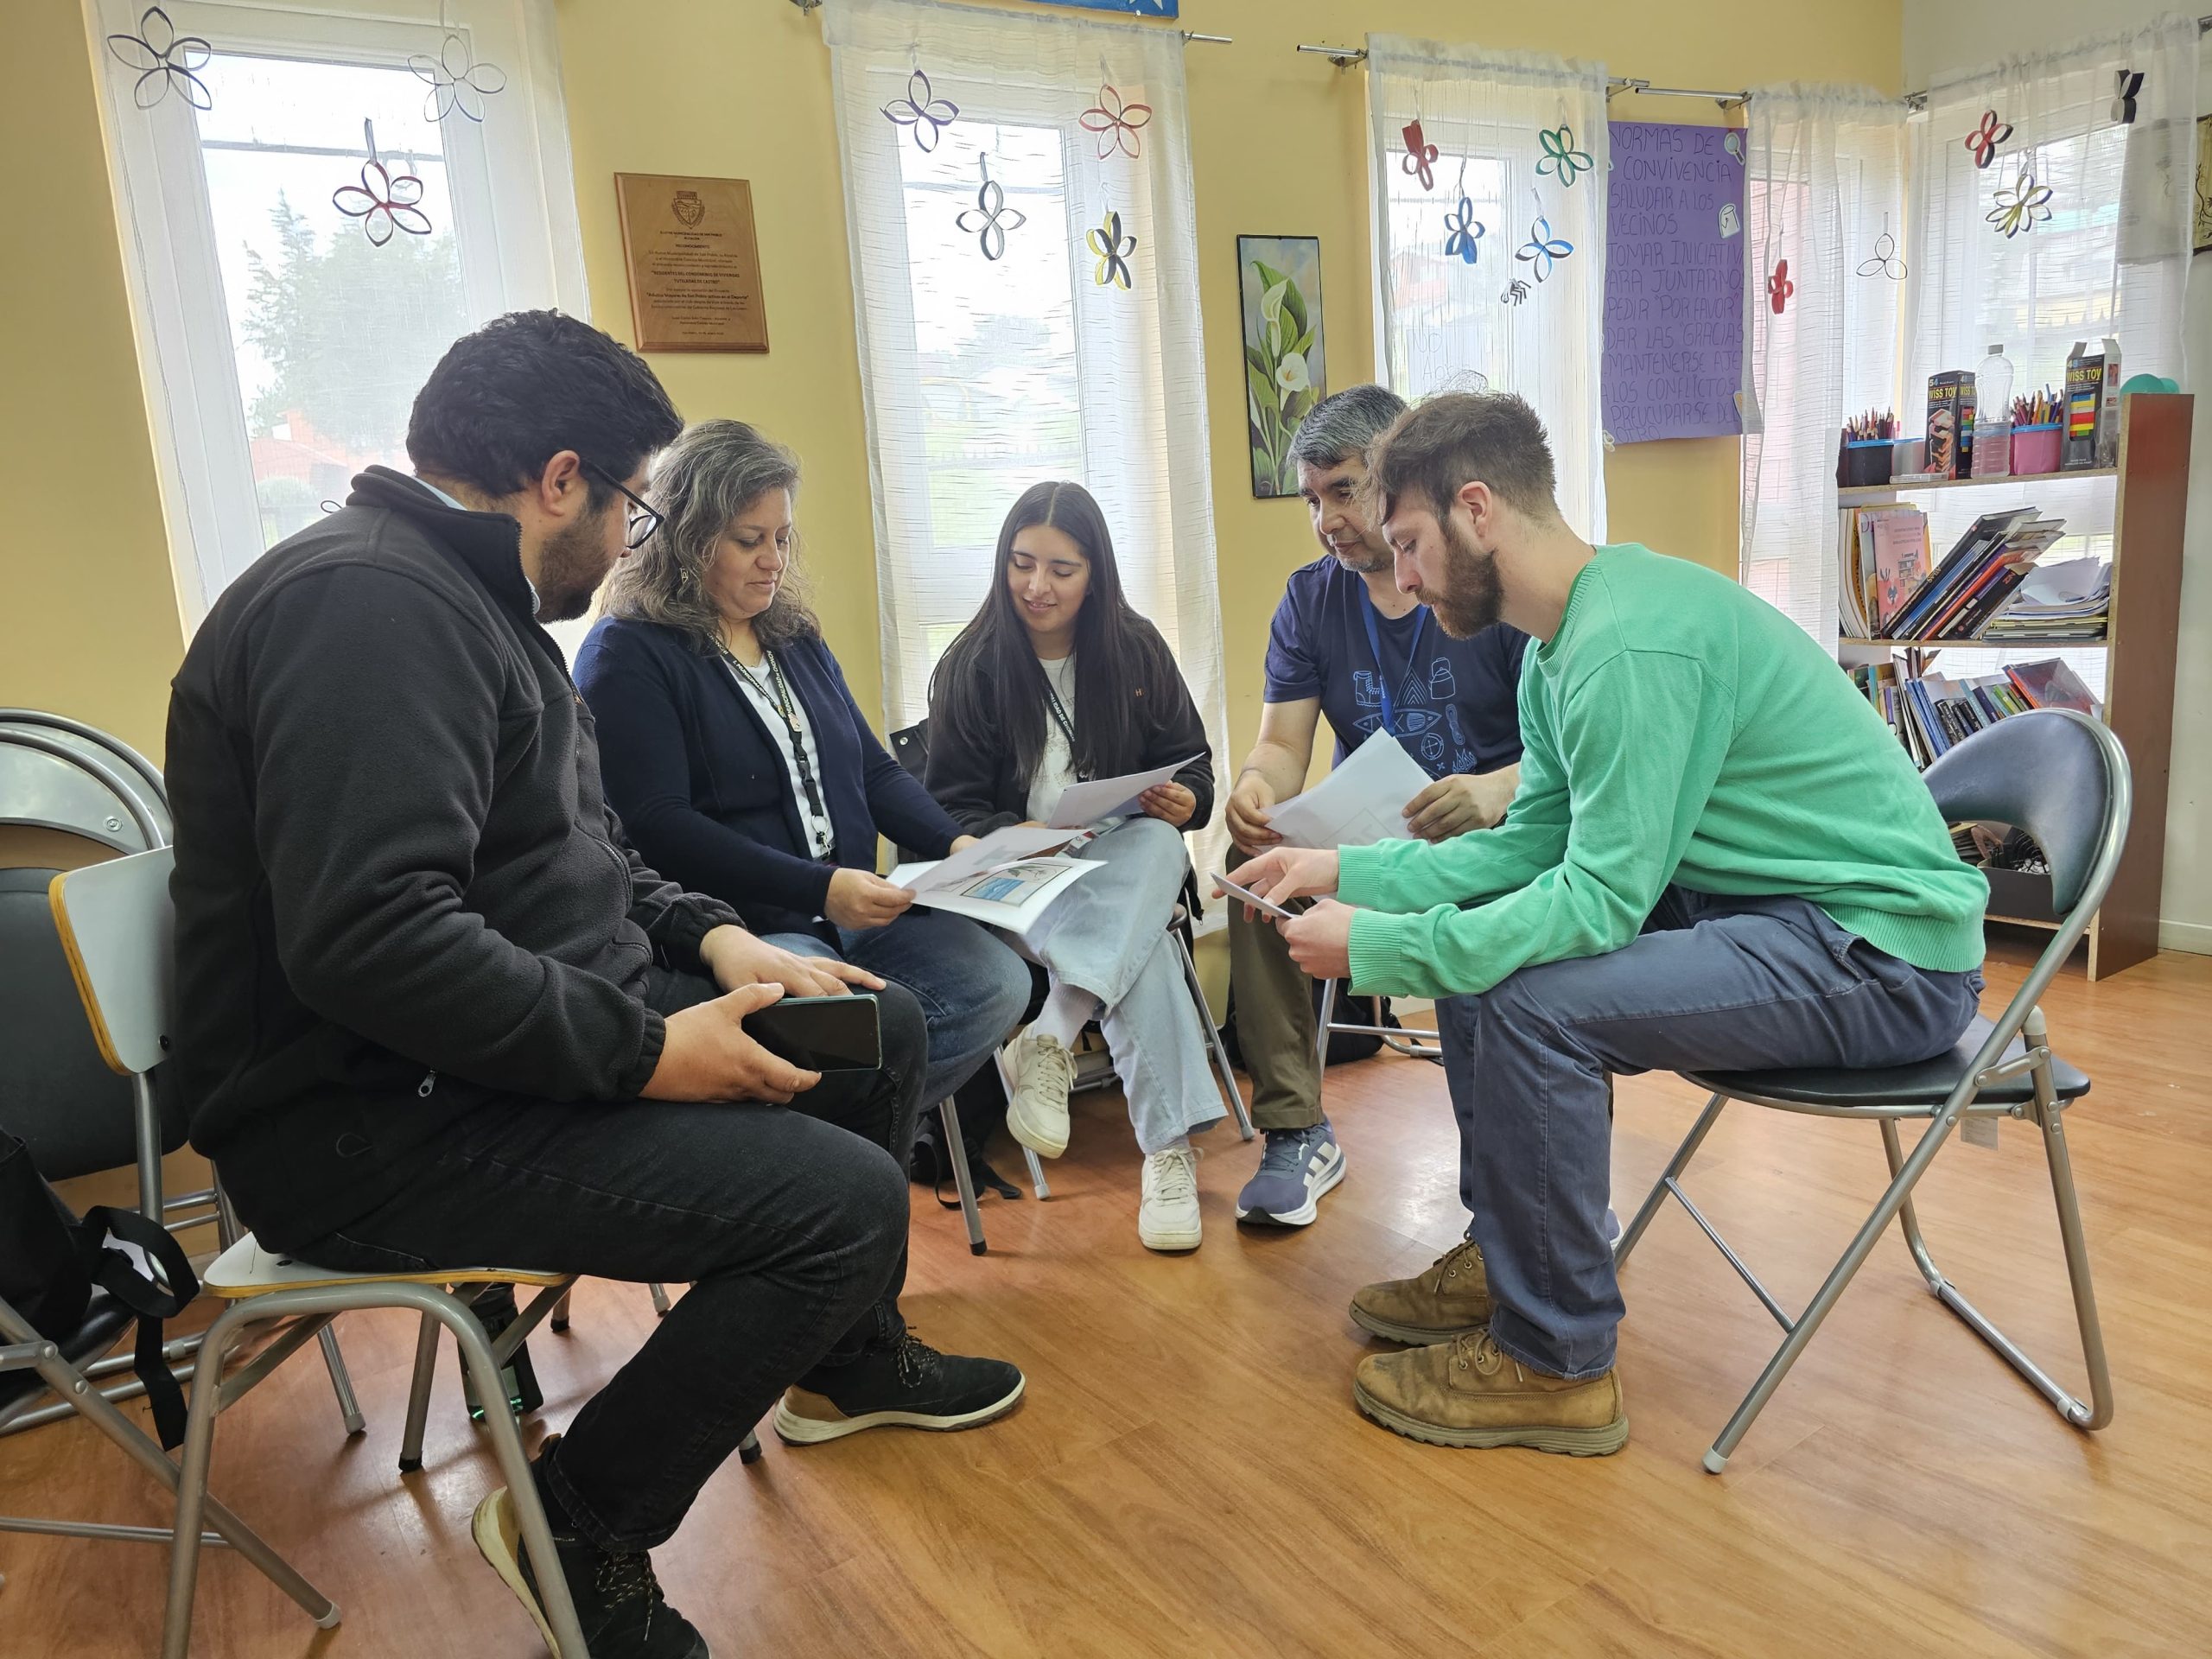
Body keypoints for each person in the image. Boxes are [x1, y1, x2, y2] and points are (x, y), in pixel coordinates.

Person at [165, 311, 1025, 1659]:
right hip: (368, 1129)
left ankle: (843, 1367)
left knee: (872, 1027)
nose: (632, 535)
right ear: (559, 477)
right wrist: (644, 1052)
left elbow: (595, 848)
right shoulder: (366, 610)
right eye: (634, 501)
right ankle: (580, 1518)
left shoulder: (475, 609)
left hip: (489, 1060)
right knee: (842, 1203)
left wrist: (722, 941)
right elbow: (372, 939)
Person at [1230, 391, 1986, 1458]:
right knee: (1497, 954)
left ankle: (1554, 1362)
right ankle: (1511, 1257)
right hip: (1778, 919)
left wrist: (1377, 945)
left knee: (1536, 1001)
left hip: (1879, 952)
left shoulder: (1627, 649)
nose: (1398, 580)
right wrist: (1342, 866)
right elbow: (1528, 849)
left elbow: (1596, 903)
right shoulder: (1556, 649)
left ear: (1476, 510)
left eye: (1408, 545)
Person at [575, 419, 1030, 1119]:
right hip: (746, 925)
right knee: (854, 1031)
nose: (774, 561)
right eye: (749, 541)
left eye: (782, 538)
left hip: (848, 908)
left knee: (999, 982)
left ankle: (843, 1125)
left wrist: (958, 847)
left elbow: (873, 772)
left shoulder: (794, 635)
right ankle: (841, 1139)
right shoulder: (631, 652)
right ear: (689, 539)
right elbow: (658, 827)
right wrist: (821, 888)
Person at [1224, 385, 1529, 1228]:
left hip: (1490, 837)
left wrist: (1495, 789)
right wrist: (1254, 790)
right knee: (1250, 868)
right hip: (1374, 839)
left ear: (1400, 477)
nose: (1325, 520)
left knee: (1482, 903)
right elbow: (1282, 746)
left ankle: (1503, 1193)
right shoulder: (1310, 599)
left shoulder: (1488, 588)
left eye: (1345, 491)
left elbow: (1572, 754)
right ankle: (1295, 1130)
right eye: (1310, 500)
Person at [925, 480, 1224, 1252]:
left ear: (1096, 573)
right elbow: (947, 812)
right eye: (1022, 564)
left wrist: (1186, 801)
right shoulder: (973, 666)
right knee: (1147, 937)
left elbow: (1193, 768)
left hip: (1120, 866)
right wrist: (1016, 830)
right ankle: (1168, 1156)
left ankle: (1053, 1034)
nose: (1037, 586)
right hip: (1017, 884)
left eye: (1062, 569)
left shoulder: (1133, 649)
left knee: (1158, 849)